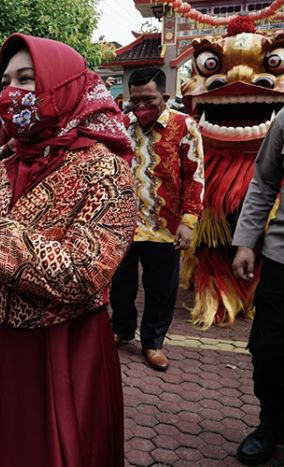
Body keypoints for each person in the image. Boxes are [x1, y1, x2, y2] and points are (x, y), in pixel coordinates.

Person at [0, 33, 137, 466]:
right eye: (6, 80)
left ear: (63, 86)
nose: (12, 93)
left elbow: (83, 274)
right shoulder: (6, 166)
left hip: (69, 343)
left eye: (27, 79)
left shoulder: (104, 169)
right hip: (5, 342)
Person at [110, 67, 204, 371]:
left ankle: (153, 342)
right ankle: (122, 329)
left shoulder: (185, 126)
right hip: (123, 224)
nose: (141, 107)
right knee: (120, 285)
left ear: (164, 96)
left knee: (161, 289)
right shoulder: (123, 125)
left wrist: (189, 222)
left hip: (165, 226)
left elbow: (195, 177)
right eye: (134, 101)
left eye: (148, 100)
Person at [231, 109, 284, 465]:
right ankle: (270, 425)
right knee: (269, 350)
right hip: (281, 258)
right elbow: (264, 182)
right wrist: (246, 241)